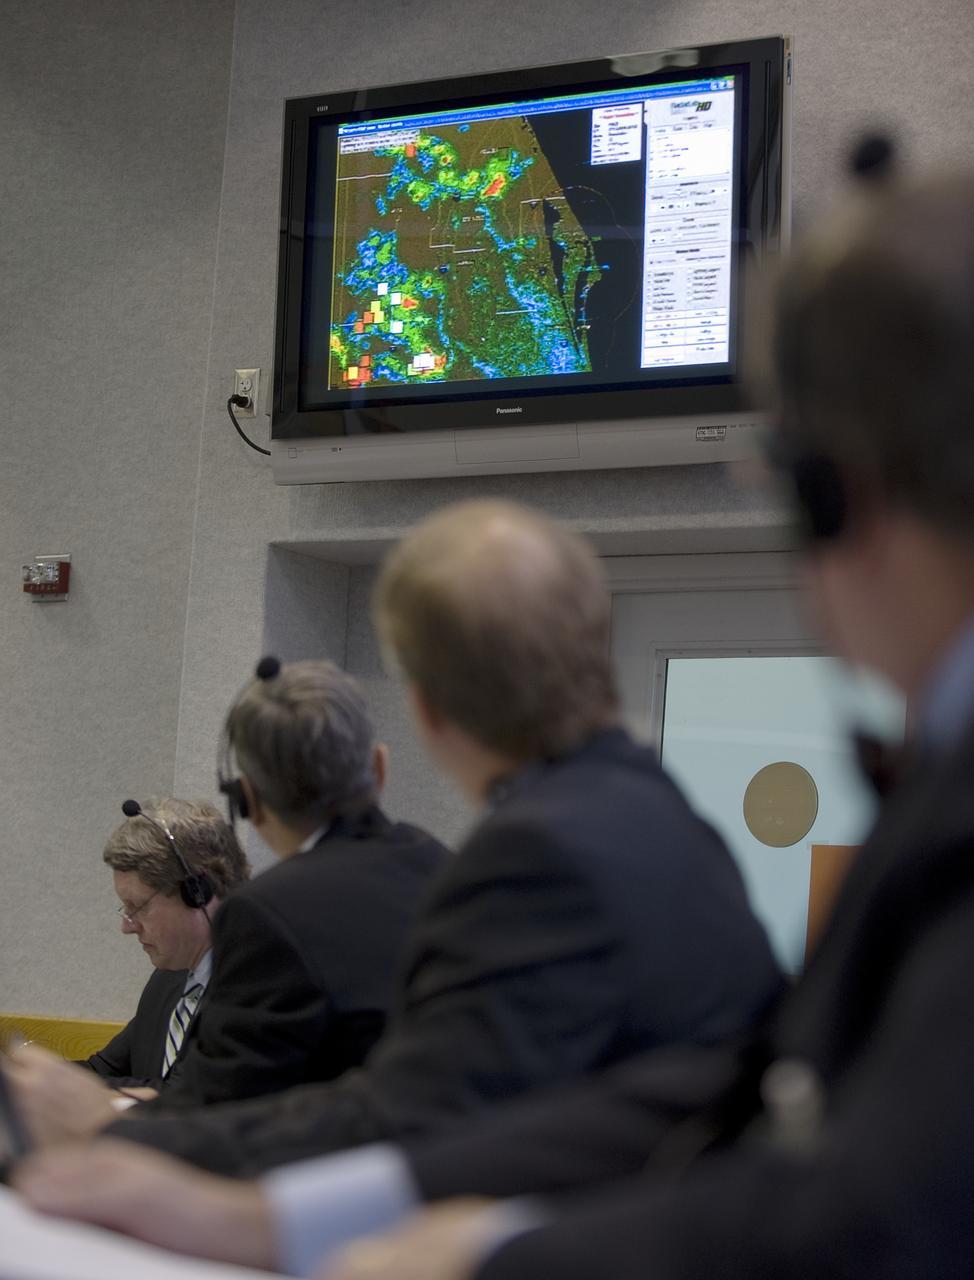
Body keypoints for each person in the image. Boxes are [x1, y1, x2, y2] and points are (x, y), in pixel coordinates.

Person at [16, 168, 974, 1280]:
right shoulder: (680, 824)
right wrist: (293, 1218)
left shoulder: (538, 854)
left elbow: (874, 1197)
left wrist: (479, 1248)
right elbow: (715, 1092)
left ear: (837, 490)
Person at [6, 499, 781, 1174]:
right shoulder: (675, 821)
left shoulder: (522, 858)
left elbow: (409, 1113)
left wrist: (112, 1132)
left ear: (427, 713)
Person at [9, 659, 450, 1129]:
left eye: (137, 907)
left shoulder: (270, 916)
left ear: (247, 801)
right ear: (379, 766)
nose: (126, 925)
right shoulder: (451, 871)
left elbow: (210, 1107)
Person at [81, 798, 250, 1091]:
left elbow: (186, 1098)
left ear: (197, 892)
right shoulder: (167, 980)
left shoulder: (255, 989)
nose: (127, 926)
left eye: (138, 907)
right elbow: (102, 1070)